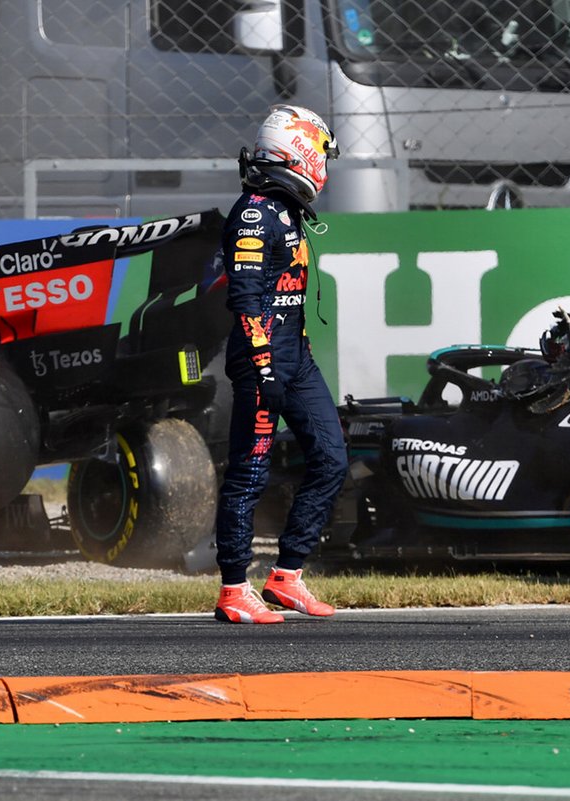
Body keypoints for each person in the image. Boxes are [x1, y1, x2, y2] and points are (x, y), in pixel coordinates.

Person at [213, 105, 348, 624]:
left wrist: (292, 361)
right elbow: (244, 299)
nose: (324, 169)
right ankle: (232, 587)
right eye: (320, 156)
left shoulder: (289, 211)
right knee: (249, 472)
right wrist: (266, 368)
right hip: (260, 362)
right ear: (297, 153)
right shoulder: (251, 214)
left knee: (332, 459)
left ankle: (286, 576)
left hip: (298, 359)